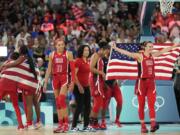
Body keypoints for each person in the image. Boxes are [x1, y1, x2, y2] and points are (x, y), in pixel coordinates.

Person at [112, 41, 179, 133]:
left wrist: (174, 46)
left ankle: (152, 124)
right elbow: (127, 53)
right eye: (149, 46)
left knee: (151, 104)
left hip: (151, 83)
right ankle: (143, 126)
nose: (151, 47)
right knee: (141, 105)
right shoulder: (140, 56)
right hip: (141, 83)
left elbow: (164, 51)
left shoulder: (153, 55)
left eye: (152, 46)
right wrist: (116, 48)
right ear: (145, 47)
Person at [1, 45, 38, 129]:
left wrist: (6, 65)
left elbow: (15, 63)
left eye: (18, 48)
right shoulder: (29, 58)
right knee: (27, 105)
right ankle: (27, 124)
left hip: (25, 83)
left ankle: (30, 124)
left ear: (21, 51)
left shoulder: (22, 57)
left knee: (28, 105)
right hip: (31, 83)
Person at [43, 39, 75, 133]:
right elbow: (49, 69)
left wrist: (72, 82)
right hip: (55, 79)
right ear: (55, 46)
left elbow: (72, 70)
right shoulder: (52, 55)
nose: (60, 46)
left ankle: (66, 124)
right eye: (59, 45)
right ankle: (60, 124)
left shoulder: (69, 54)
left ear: (64, 45)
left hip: (65, 78)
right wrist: (45, 82)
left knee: (61, 99)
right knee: (57, 102)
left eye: (62, 44)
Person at [0, 52, 24, 130]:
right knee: (16, 106)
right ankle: (21, 125)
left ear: (11, 56)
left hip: (3, 83)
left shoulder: (7, 62)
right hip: (13, 85)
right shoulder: (20, 65)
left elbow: (1, 70)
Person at [71, 45, 92, 131]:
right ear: (81, 51)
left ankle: (86, 126)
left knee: (88, 107)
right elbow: (74, 75)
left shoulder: (87, 61)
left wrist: (88, 86)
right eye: (85, 50)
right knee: (79, 106)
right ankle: (73, 126)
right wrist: (79, 86)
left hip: (86, 87)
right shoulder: (78, 61)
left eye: (88, 50)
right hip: (78, 87)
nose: (86, 52)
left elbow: (87, 75)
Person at [101, 46, 123, 129]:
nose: (109, 51)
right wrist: (104, 84)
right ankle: (103, 121)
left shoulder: (114, 59)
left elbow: (117, 70)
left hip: (114, 84)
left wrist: (117, 80)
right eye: (108, 49)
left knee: (120, 101)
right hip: (106, 85)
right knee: (105, 105)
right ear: (105, 50)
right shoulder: (102, 60)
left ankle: (117, 120)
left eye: (111, 50)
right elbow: (100, 73)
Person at [89, 41, 109, 130]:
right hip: (94, 80)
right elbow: (90, 68)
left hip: (99, 81)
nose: (106, 53)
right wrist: (101, 73)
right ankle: (91, 124)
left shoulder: (100, 57)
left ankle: (95, 123)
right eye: (106, 51)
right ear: (101, 49)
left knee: (99, 103)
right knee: (97, 103)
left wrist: (103, 81)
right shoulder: (95, 56)